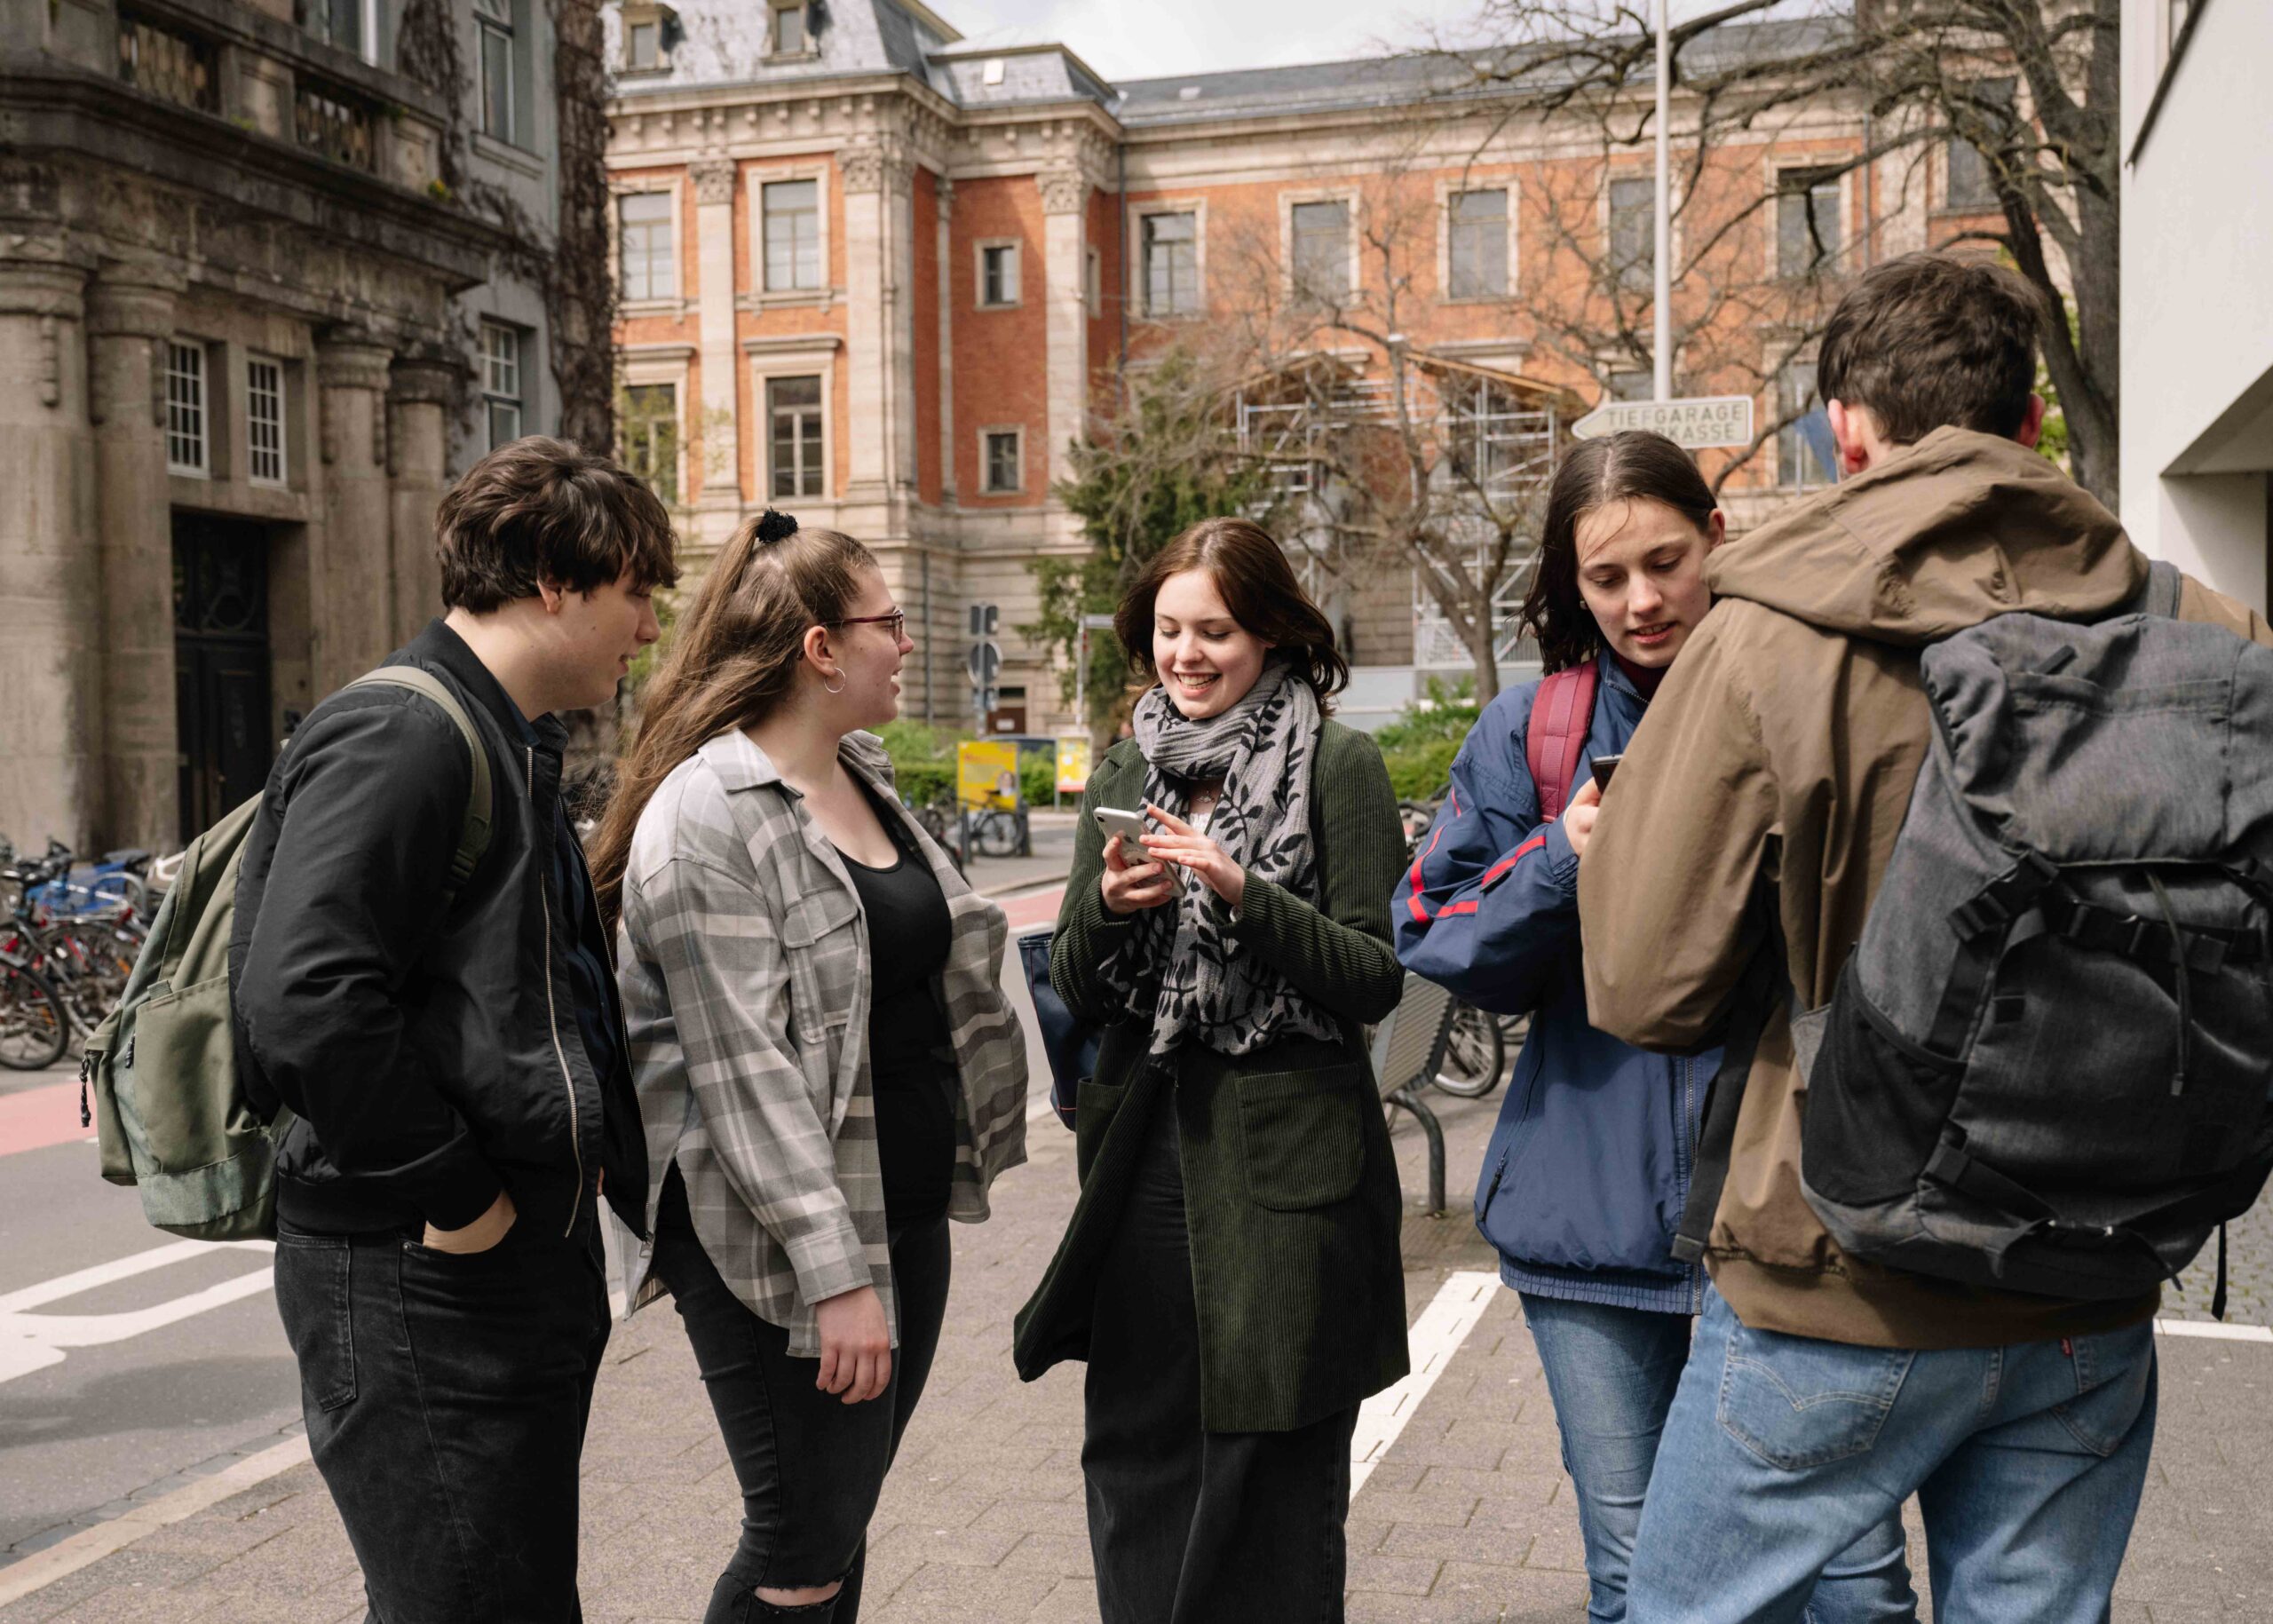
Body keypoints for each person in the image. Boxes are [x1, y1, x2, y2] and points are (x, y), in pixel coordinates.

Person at [1581, 254, 2273, 1621]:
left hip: (1836, 1268)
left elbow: (1643, 984)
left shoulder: (1767, 636)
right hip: (2098, 1267)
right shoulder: (2208, 627)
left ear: (1847, 427)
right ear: (2030, 425)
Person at [1393, 431, 1913, 1624]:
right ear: (1571, 586)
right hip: (1592, 1230)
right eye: (1606, 578)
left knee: (1852, 1585)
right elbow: (1434, 944)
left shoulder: (1815, 696)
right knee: (1637, 1587)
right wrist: (1560, 859)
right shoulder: (1535, 732)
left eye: (1665, 563)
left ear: (1715, 539)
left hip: (1794, 1221)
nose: (1641, 601)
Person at [234, 436, 677, 1621]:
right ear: (550, 576)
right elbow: (305, 999)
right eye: (637, 590)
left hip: (484, 1264)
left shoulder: (495, 734)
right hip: (417, 1270)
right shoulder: (410, 732)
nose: (647, 628)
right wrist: (458, 1197)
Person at [588, 511, 1028, 1624]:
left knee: (840, 1523)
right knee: (799, 1549)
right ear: (819, 648)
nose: (907, 642)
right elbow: (742, 1071)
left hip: (899, 1205)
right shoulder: (705, 816)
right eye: (887, 622)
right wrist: (837, 1276)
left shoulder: (861, 771)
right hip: (775, 1242)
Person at [1012, 518, 1409, 1624]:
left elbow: (1375, 978)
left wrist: (1245, 891)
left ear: (1273, 634)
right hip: (1143, 1136)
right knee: (1136, 1436)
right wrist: (1108, 903)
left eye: (1216, 631)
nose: (1185, 653)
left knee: (1266, 1449)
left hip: (1287, 1150)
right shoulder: (1130, 763)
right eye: (1168, 628)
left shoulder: (1340, 761)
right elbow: (1084, 987)